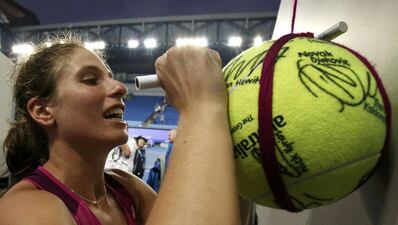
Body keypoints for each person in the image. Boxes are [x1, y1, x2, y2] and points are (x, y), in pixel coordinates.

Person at [0, 37, 240, 225]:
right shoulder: (24, 208)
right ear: (43, 111)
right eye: (91, 80)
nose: (120, 88)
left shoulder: (125, 187)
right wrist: (201, 106)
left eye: (111, 78)